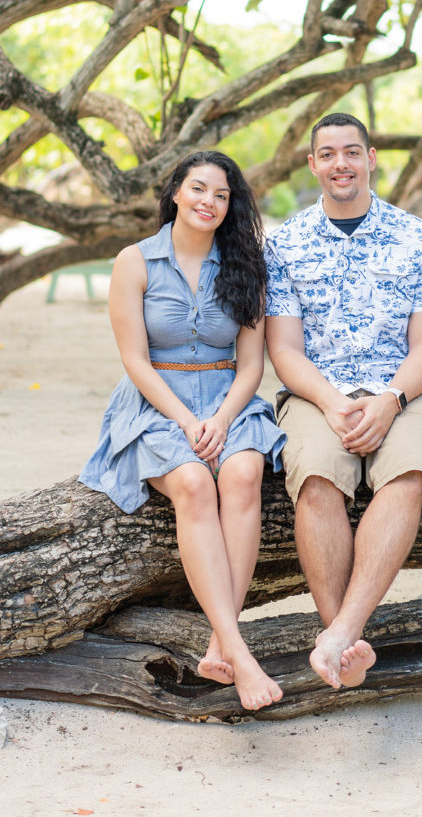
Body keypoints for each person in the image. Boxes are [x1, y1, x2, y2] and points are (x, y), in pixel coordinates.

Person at [79, 150, 286, 711]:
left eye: (222, 195)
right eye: (199, 189)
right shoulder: (135, 261)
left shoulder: (245, 263)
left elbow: (251, 366)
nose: (209, 202)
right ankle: (240, 654)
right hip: (157, 401)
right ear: (176, 192)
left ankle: (222, 641)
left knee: (242, 473)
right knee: (194, 484)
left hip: (228, 398)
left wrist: (219, 419)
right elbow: (136, 362)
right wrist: (188, 421)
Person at [264, 113, 422, 691]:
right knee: (317, 478)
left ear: (370, 159)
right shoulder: (286, 243)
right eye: (327, 154)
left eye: (351, 152)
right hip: (315, 394)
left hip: (402, 390)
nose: (339, 163)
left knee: (409, 475)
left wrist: (392, 400)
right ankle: (341, 638)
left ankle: (342, 634)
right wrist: (327, 400)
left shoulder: (418, 238)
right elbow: (284, 349)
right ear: (314, 164)